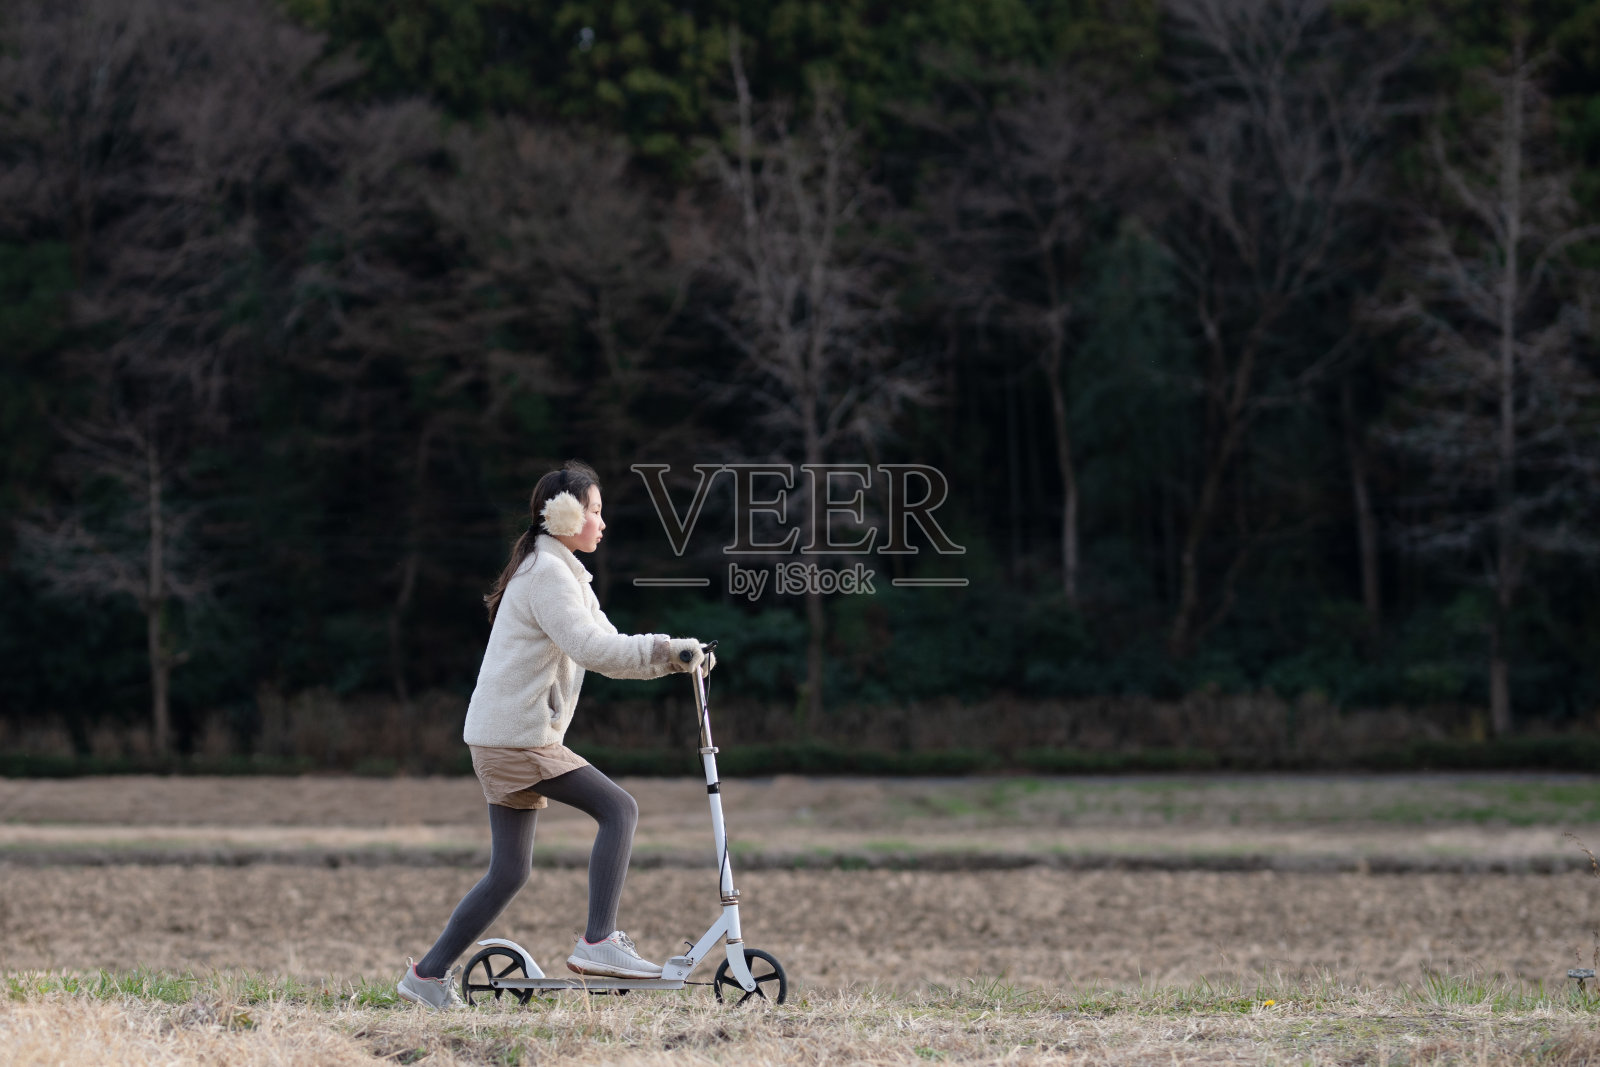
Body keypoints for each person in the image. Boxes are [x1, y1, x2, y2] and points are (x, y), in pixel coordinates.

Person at [397, 460, 714, 1010]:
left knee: (510, 872)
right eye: (593, 511)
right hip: (517, 740)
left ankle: (426, 977)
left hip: (504, 737)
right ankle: (598, 942)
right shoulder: (546, 575)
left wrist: (668, 657)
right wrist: (668, 650)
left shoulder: (561, 573)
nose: (602, 522)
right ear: (564, 516)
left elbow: (607, 644)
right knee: (620, 810)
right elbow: (594, 651)